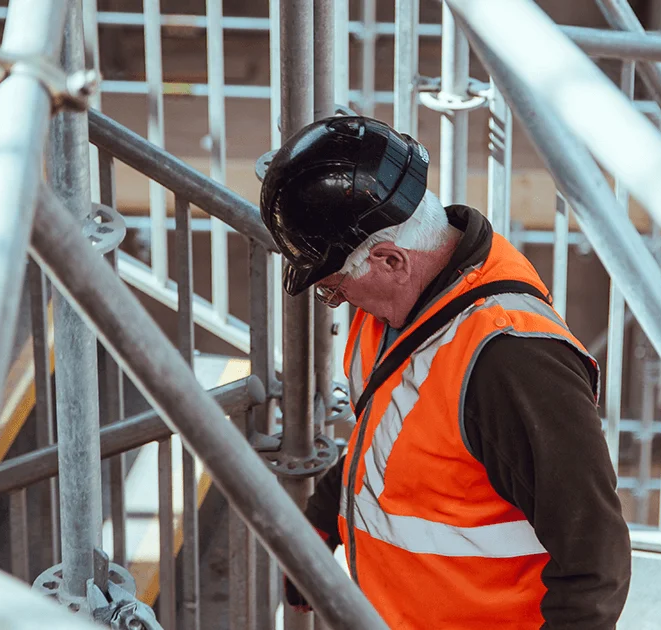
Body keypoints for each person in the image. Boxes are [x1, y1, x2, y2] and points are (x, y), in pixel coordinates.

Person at [260, 114, 631, 628]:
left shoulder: (511, 360)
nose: (338, 300)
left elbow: (595, 561)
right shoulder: (398, 313)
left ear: (390, 260)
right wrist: (324, 519)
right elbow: (395, 437)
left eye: (334, 288)